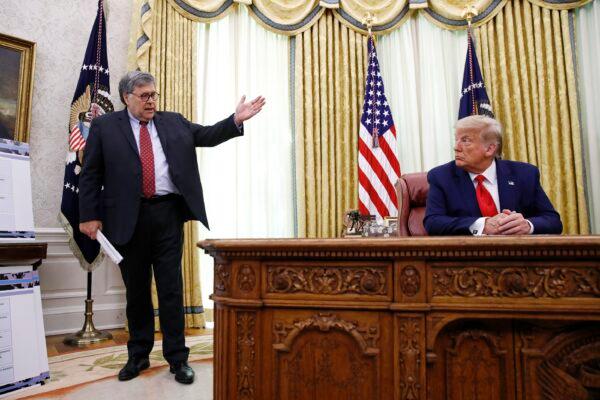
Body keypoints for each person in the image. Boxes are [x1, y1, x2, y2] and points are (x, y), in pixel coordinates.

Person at [79, 71, 265, 384]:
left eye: (154, 94)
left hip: (167, 216)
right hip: (127, 218)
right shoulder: (105, 127)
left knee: (170, 290)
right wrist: (88, 215)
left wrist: (235, 120)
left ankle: (178, 359)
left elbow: (206, 135)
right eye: (144, 96)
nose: (151, 100)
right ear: (127, 97)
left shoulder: (173, 122)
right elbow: (91, 173)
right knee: (136, 292)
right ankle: (137, 355)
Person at [424, 115, 562, 236]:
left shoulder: (524, 174)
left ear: (490, 149)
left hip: (518, 258)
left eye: (465, 140)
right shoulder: (441, 177)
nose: (456, 147)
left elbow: (553, 221)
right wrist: (483, 224)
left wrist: (527, 225)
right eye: (457, 139)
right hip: (467, 260)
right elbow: (433, 222)